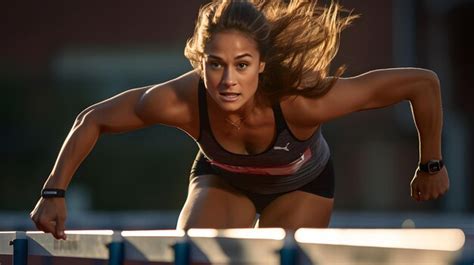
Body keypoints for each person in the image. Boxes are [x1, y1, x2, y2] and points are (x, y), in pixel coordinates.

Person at [30, 0, 449, 240]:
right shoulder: (179, 101)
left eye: (242, 65)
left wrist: (430, 163)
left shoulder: (302, 100)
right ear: (201, 63)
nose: (228, 81)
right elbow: (93, 118)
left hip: (300, 184)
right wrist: (54, 191)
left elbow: (422, 84)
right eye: (215, 65)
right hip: (223, 178)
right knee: (193, 250)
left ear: (262, 65)